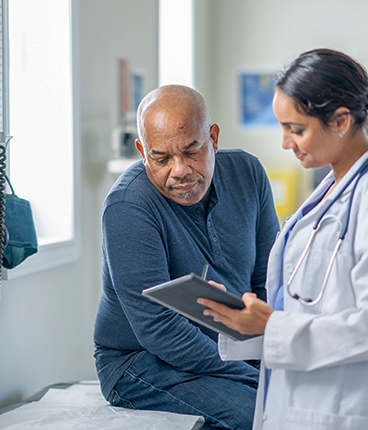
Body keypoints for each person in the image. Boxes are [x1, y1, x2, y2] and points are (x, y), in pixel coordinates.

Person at [199, 49, 368, 430]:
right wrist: (250, 323)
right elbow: (309, 309)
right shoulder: (327, 192)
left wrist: (273, 327)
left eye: (296, 129)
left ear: (340, 121)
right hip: (301, 400)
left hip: (350, 408)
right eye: (283, 128)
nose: (286, 143)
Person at [93, 84, 280, 430]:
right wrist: (252, 376)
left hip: (233, 347)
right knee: (259, 416)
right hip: (141, 361)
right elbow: (158, 327)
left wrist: (273, 358)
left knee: (297, 404)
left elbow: (268, 282)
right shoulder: (128, 207)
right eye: (161, 158)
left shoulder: (248, 174)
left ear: (213, 138)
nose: (179, 170)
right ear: (142, 151)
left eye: (192, 151)